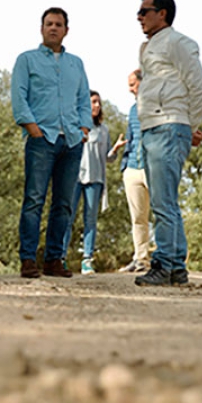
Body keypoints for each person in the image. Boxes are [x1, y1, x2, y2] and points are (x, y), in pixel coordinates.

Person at [133, 0, 202, 286]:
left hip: (167, 127)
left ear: (162, 14)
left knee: (164, 202)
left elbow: (200, 86)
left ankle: (164, 264)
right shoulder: (150, 47)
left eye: (144, 11)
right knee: (164, 202)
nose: (139, 17)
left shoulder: (178, 43)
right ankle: (176, 267)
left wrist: (189, 126)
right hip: (153, 127)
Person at [11, 7, 91, 279]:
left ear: (66, 30)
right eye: (48, 24)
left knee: (65, 203)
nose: (53, 28)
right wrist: (32, 128)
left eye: (58, 24)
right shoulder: (27, 60)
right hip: (41, 139)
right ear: (41, 28)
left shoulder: (76, 63)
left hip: (70, 140)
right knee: (34, 199)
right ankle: (28, 259)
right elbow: (19, 97)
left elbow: (83, 99)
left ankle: (54, 259)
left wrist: (82, 129)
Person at [62, 90, 118, 275]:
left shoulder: (103, 130)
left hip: (95, 178)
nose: (97, 106)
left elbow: (107, 157)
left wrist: (115, 149)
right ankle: (59, 257)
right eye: (93, 102)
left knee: (90, 220)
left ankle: (87, 260)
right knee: (67, 218)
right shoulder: (75, 125)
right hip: (75, 177)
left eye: (98, 103)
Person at [117, 69, 151, 274]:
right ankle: (140, 259)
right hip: (132, 168)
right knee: (137, 218)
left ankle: (170, 260)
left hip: (152, 167)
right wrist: (125, 165)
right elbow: (130, 137)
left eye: (132, 84)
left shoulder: (157, 105)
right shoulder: (131, 110)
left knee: (165, 214)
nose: (130, 89)